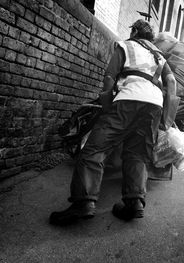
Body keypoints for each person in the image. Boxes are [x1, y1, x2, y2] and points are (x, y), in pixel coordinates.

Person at [50, 19, 177, 225]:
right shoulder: (159, 55)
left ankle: (83, 202)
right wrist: (167, 119)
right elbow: (171, 83)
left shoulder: (126, 45)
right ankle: (134, 203)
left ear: (134, 31)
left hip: (128, 100)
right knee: (137, 154)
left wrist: (108, 107)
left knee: (94, 149)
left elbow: (109, 77)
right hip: (154, 106)